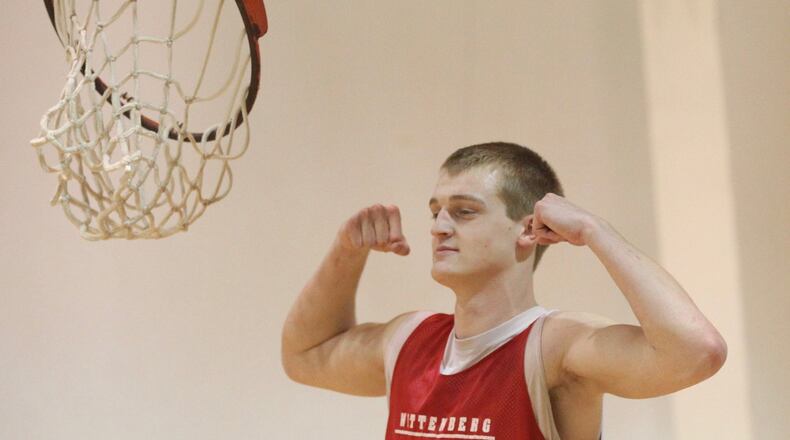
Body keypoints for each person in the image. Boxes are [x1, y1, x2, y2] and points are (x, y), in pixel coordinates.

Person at [281, 141, 727, 439]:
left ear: (528, 228)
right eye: (436, 211)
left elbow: (697, 351)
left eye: (464, 211)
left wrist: (595, 231)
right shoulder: (408, 339)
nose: (438, 227)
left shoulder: (554, 346)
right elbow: (305, 356)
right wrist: (346, 253)